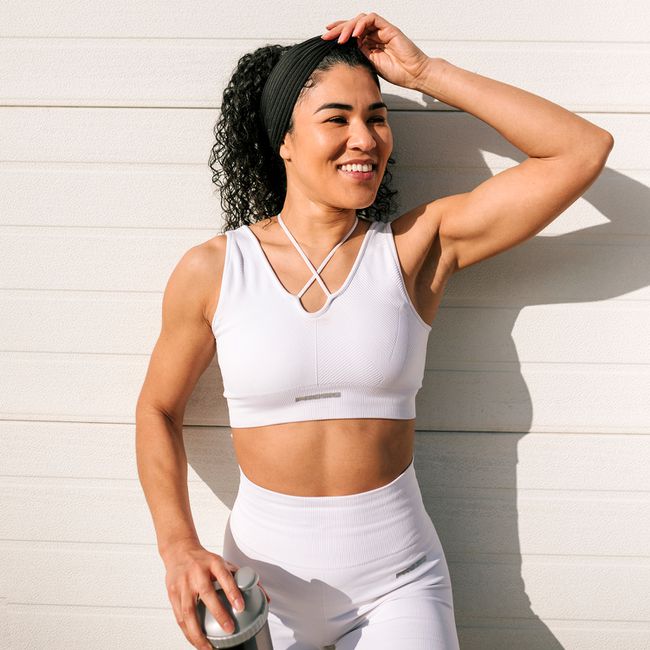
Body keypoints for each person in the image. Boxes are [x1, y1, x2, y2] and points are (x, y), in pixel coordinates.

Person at [135, 12, 613, 650]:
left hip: (400, 581)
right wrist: (178, 549)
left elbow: (581, 150)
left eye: (377, 117)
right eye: (336, 119)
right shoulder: (215, 269)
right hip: (261, 588)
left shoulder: (417, 247)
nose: (364, 138)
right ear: (283, 140)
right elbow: (157, 409)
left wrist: (425, 73)